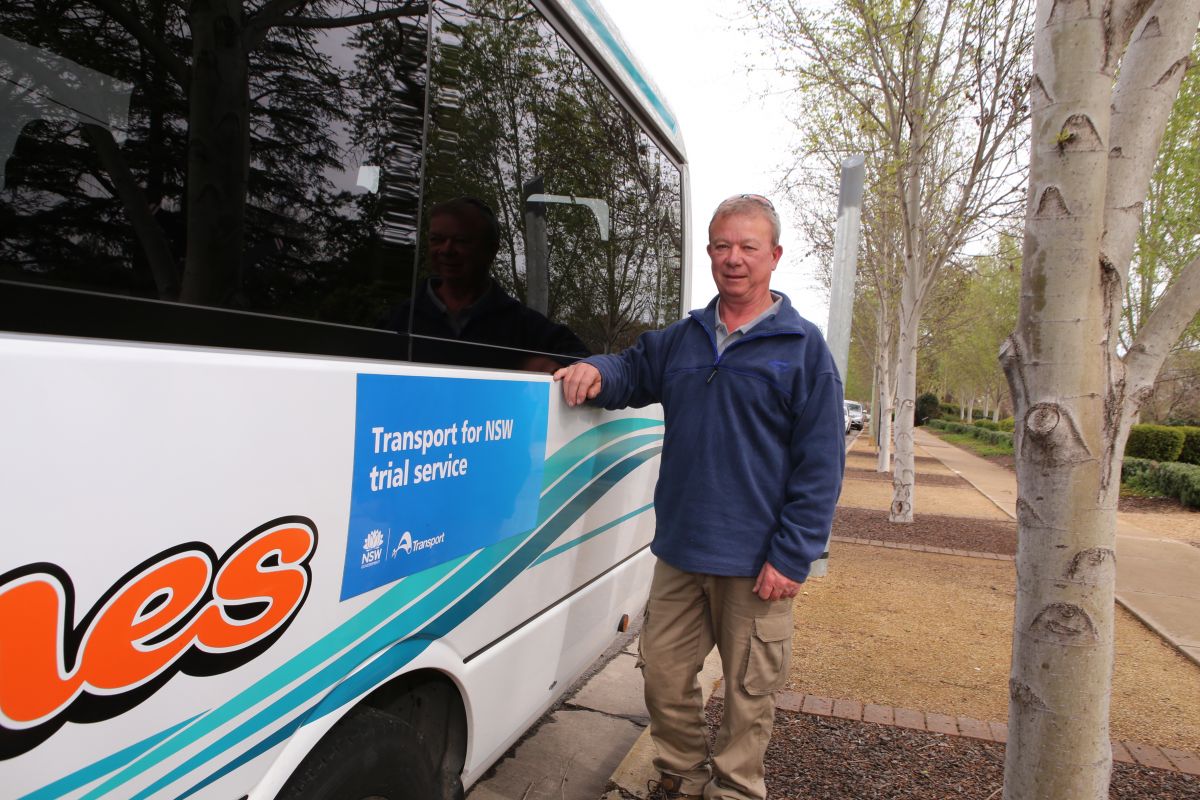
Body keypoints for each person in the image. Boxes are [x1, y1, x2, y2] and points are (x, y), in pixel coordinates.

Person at [554, 195, 845, 800]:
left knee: (748, 693)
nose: (732, 259)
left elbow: (821, 466)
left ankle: (736, 788)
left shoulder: (804, 350)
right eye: (721, 246)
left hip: (756, 560)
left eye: (747, 247)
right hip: (682, 553)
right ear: (709, 252)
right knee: (661, 675)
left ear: (775, 257)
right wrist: (595, 371)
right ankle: (682, 775)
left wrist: (793, 557)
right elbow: (630, 370)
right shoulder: (681, 340)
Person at [387, 196, 589, 371]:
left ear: (491, 250)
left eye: (461, 241)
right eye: (436, 239)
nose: (447, 250)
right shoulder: (400, 319)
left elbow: (587, 363)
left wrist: (547, 364)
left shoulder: (522, 325)